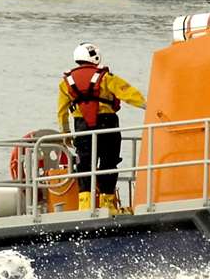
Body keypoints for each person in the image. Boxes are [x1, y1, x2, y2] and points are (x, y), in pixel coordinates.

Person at [57, 42, 146, 213]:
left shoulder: (65, 82)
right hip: (107, 124)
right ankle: (107, 203)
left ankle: (85, 204)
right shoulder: (106, 77)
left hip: (81, 127)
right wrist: (148, 105)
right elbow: (128, 93)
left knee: (84, 164)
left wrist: (65, 133)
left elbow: (61, 112)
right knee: (109, 162)